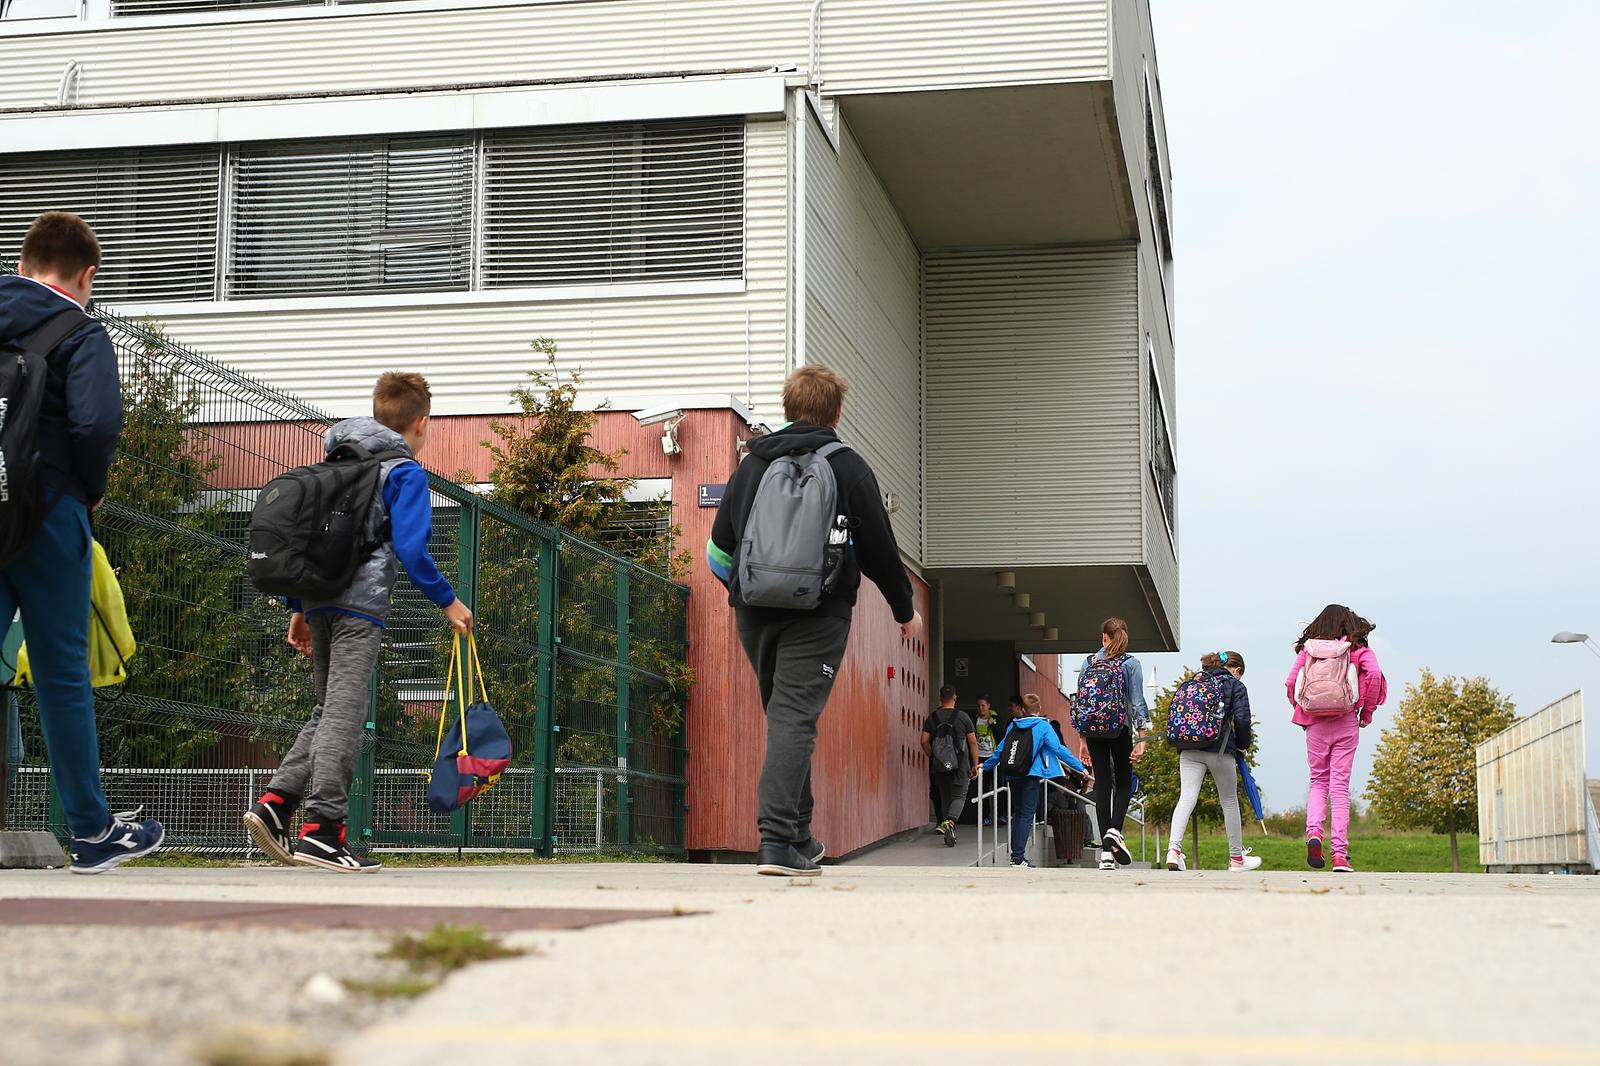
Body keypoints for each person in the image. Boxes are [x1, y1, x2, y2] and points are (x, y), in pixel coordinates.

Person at [243, 372, 472, 874]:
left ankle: (276, 805)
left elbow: (311, 539)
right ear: (422, 424)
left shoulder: (337, 462)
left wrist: (298, 607)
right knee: (346, 715)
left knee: (329, 709)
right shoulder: (404, 473)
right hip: (358, 607)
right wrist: (449, 601)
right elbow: (411, 550)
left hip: (319, 601)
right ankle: (324, 831)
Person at [707, 364, 920, 877]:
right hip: (819, 614)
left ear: (787, 407)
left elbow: (718, 551)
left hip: (755, 613)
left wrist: (750, 591)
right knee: (794, 720)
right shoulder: (848, 467)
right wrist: (904, 608)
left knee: (785, 718)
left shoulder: (752, 464)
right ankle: (777, 841)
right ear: (837, 412)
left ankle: (799, 835)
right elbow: (880, 552)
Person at [0, 212, 165, 874]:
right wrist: (89, 490)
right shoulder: (80, 331)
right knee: (62, 673)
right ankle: (93, 832)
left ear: (22, 263)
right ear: (85, 274)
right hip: (47, 511)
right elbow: (96, 425)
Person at [1286, 604, 1384, 873]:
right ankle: (1340, 855)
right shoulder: (1357, 648)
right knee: (1339, 788)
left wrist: (1302, 709)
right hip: (1346, 721)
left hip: (1315, 723)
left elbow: (1291, 681)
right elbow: (1374, 675)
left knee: (1318, 781)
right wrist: (1368, 710)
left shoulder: (1309, 649)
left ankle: (1314, 834)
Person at [1164, 651, 1261, 872]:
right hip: (1220, 750)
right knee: (1228, 801)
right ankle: (1236, 859)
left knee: (1186, 797)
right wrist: (1242, 746)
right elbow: (1243, 720)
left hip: (1188, 748)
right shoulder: (1235, 686)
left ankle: (1173, 851)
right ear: (1236, 670)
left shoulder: (1196, 681)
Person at [981, 693, 1087, 868]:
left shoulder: (1012, 726)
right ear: (1039, 709)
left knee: (1018, 814)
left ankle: (1015, 856)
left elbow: (1000, 750)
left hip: (1013, 774)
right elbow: (1059, 749)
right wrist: (1079, 767)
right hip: (1031, 775)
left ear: (1022, 709)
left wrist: (984, 766)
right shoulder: (1043, 726)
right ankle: (1018, 858)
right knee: (1027, 815)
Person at [1080, 616, 1150, 870]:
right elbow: (1137, 701)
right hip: (1119, 728)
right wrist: (1141, 738)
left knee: (1103, 785)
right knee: (1123, 782)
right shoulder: (1130, 663)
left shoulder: (1089, 662)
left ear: (1104, 637)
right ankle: (1115, 832)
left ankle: (1106, 855)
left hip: (1093, 731)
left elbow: (1082, 703)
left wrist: (1082, 739)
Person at [921, 685, 978, 847]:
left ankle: (947, 828)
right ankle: (951, 823)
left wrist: (934, 757)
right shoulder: (963, 717)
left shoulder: (932, 718)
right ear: (955, 698)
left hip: (939, 766)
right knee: (959, 796)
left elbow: (924, 741)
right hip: (960, 765)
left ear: (940, 698)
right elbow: (972, 741)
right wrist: (975, 764)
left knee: (946, 797)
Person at [973, 695, 1000, 826]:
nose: (981, 708)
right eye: (979, 705)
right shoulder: (974, 719)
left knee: (998, 787)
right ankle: (984, 817)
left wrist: (993, 725)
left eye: (983, 705)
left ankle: (1001, 815)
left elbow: (1001, 735)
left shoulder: (996, 718)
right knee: (981, 789)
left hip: (993, 757)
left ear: (989, 705)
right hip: (980, 758)